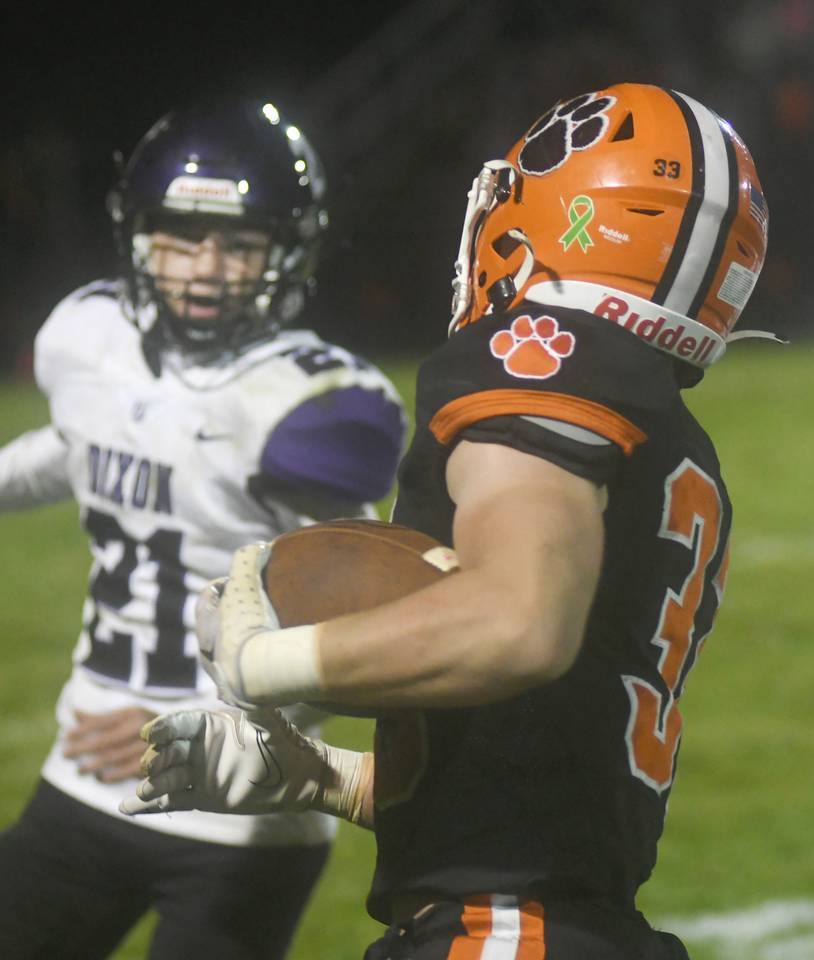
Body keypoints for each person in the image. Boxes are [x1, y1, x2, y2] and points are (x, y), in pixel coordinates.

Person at [121, 82, 769, 960]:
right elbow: (551, 753)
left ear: (563, 216)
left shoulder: (542, 361)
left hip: (505, 937)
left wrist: (264, 662)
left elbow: (516, 625)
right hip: (559, 926)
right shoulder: (670, 439)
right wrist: (326, 777)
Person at [0, 100, 407, 959]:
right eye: (182, 238)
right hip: (82, 779)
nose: (205, 269)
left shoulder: (303, 404)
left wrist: (187, 717)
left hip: (240, 811)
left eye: (238, 245)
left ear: (285, 253)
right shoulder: (90, 338)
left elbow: (357, 613)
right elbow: (78, 448)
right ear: (140, 238)